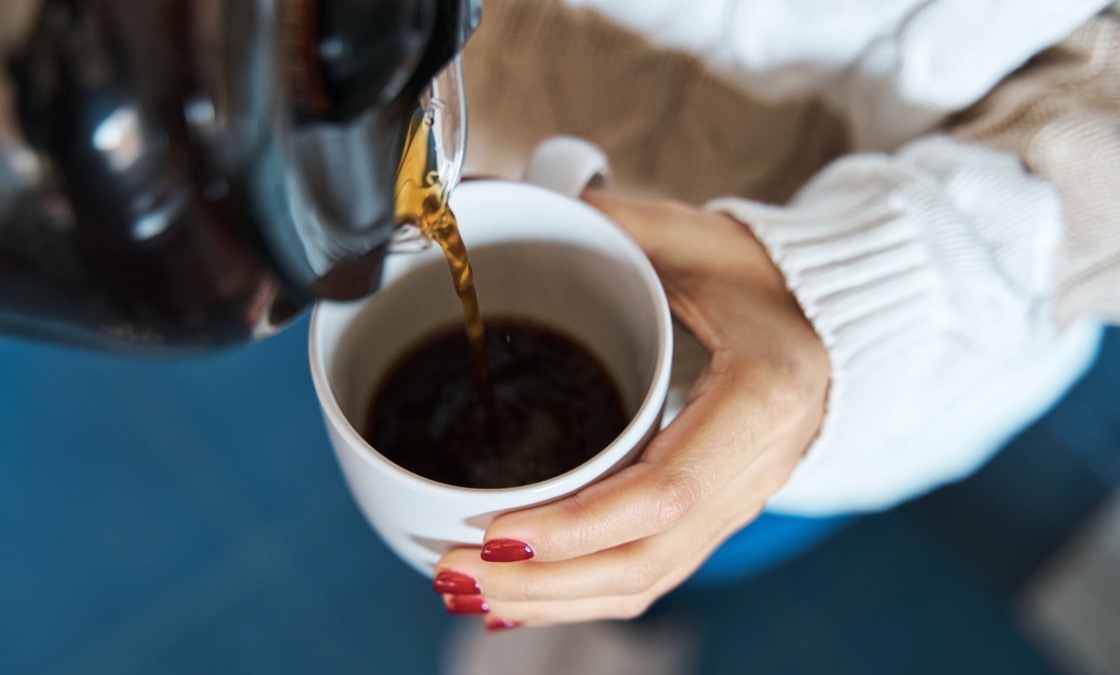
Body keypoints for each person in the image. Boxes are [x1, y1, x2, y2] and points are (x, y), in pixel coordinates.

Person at [430, 0, 1120, 632]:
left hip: (887, 358)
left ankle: (623, 619)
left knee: (710, 531)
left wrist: (864, 286)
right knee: (624, 538)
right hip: (474, 123)